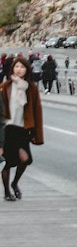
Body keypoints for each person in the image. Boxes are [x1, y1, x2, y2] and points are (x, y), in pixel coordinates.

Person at [1, 54, 44, 201]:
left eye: (22, 67)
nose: (19, 70)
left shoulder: (31, 89)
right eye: (16, 67)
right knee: (8, 162)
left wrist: (36, 133)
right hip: (7, 129)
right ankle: (7, 192)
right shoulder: (4, 87)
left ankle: (14, 183)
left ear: (27, 70)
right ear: (12, 69)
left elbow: (37, 112)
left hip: (23, 130)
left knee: (25, 159)